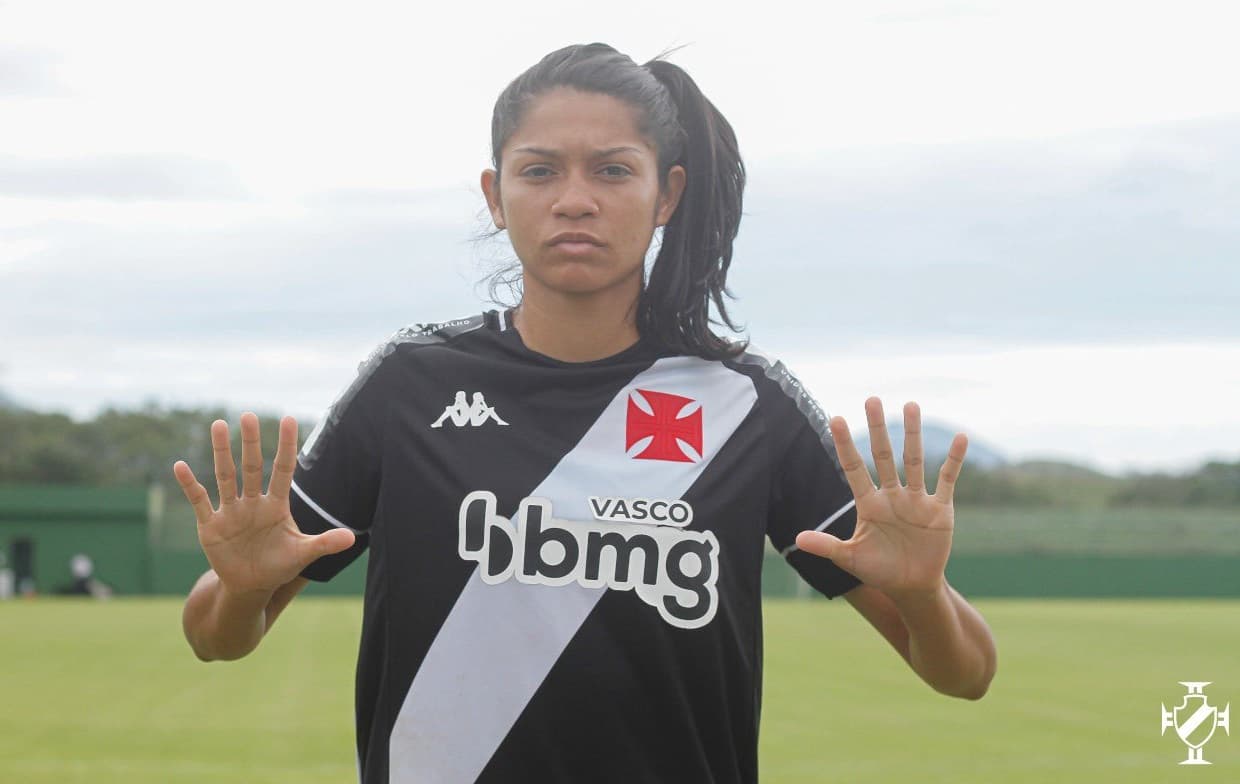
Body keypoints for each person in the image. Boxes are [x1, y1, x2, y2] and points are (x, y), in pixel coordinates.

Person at [175, 42, 997, 784]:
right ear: (496, 197)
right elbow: (218, 637)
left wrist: (925, 594)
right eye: (539, 172)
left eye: (611, 170)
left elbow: (965, 674)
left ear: (666, 192)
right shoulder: (410, 385)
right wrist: (242, 588)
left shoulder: (747, 403)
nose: (574, 200)